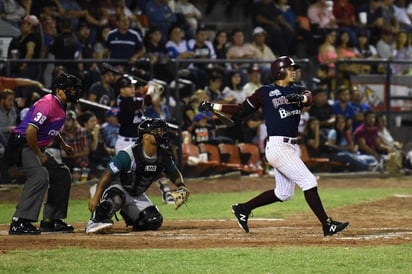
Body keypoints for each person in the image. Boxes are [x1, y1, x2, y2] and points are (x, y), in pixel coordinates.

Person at [199, 56, 349, 236]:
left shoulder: (298, 89)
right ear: (279, 71)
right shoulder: (264, 92)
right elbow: (241, 110)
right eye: (290, 68)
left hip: (291, 147)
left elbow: (309, 99)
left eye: (294, 68)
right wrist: (214, 106)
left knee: (284, 193)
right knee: (309, 182)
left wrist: (300, 98)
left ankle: (243, 209)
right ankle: (327, 224)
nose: (294, 71)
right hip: (278, 147)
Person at [4, 73, 82, 235]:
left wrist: (63, 144)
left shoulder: (61, 104)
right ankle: (20, 221)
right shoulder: (47, 104)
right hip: (23, 144)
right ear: (60, 90)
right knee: (39, 176)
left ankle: (51, 220)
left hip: (35, 145)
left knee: (61, 174)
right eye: (71, 89)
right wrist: (39, 155)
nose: (74, 92)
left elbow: (51, 127)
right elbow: (31, 131)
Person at [85, 118, 189, 234]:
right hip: (118, 188)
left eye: (162, 130)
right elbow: (107, 175)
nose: (162, 133)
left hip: (137, 194)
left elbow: (174, 173)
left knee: (153, 221)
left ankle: (128, 214)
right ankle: (95, 221)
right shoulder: (128, 154)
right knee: (116, 198)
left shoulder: (163, 155)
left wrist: (181, 186)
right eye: (157, 131)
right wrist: (96, 197)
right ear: (145, 136)